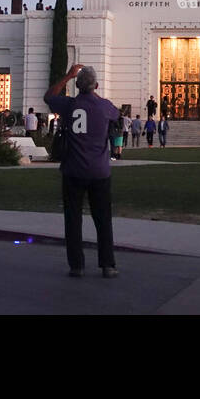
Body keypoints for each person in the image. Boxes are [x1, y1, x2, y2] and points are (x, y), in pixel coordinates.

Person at [45, 64, 119, 278]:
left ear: (77, 85)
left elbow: (49, 96)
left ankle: (76, 265)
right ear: (96, 85)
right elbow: (115, 116)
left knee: (73, 219)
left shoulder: (69, 105)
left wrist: (68, 75)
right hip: (99, 172)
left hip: (73, 170)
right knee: (103, 219)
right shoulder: (105, 107)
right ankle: (108, 264)